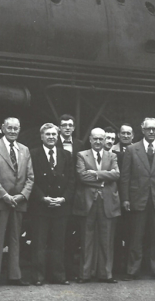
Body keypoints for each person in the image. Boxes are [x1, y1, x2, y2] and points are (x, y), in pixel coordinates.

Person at [120, 118, 155, 281]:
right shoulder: (131, 149)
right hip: (138, 198)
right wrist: (126, 198)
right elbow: (125, 177)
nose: (151, 132)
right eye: (148, 129)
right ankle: (133, 270)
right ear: (142, 130)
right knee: (136, 237)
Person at [0, 117, 34, 287]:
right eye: (9, 128)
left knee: (15, 239)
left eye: (16, 128)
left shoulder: (24, 150)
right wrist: (4, 195)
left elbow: (30, 177)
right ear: (3, 128)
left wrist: (22, 195)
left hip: (18, 201)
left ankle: (14, 275)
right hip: (0, 201)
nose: (13, 131)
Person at [29, 123, 75, 286]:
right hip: (41, 205)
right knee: (39, 243)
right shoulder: (33, 154)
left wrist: (64, 199)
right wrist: (42, 198)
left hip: (60, 206)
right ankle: (38, 276)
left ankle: (58, 275)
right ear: (42, 136)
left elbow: (71, 180)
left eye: (54, 134)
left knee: (58, 243)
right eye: (47, 134)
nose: (51, 137)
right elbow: (30, 179)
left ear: (58, 136)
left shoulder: (66, 155)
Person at [73, 128, 120, 284]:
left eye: (101, 138)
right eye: (96, 139)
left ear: (105, 139)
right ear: (91, 140)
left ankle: (106, 274)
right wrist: (104, 178)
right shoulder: (82, 155)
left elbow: (116, 174)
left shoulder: (112, 155)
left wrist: (95, 174)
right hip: (88, 202)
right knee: (87, 238)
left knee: (106, 239)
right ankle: (85, 274)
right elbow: (81, 175)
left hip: (107, 201)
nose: (99, 142)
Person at [58, 114, 84, 281]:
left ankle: (70, 269)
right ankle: (58, 271)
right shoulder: (52, 141)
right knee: (59, 235)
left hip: (76, 195)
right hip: (58, 194)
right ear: (59, 127)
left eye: (70, 125)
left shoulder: (80, 145)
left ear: (73, 128)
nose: (67, 128)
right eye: (64, 125)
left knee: (72, 235)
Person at [111, 123, 133, 273]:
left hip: (132, 196)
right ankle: (117, 266)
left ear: (132, 136)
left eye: (128, 133)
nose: (125, 136)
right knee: (116, 233)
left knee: (131, 233)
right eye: (123, 133)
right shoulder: (112, 150)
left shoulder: (136, 150)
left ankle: (129, 266)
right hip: (114, 195)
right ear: (119, 135)